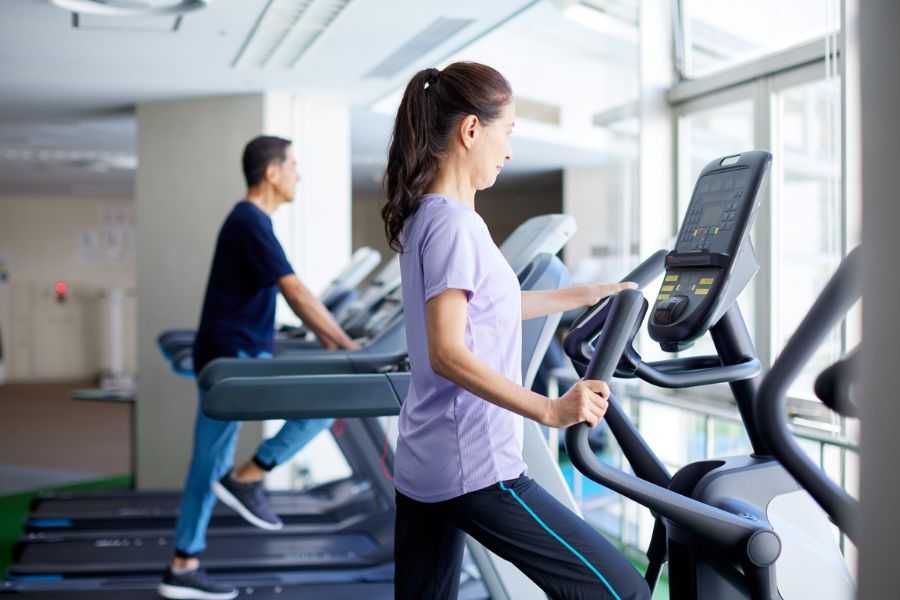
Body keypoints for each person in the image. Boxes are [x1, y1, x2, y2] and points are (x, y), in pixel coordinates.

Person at [381, 62, 651, 600]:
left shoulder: (427, 216)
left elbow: (490, 307)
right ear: (471, 130)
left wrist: (588, 294)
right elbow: (447, 351)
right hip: (477, 467)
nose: (508, 151)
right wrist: (549, 410)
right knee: (624, 592)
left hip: (426, 462)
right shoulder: (456, 225)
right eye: (506, 132)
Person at [158, 135, 358, 600]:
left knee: (208, 463)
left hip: (226, 356)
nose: (298, 175)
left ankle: (183, 564)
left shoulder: (247, 221)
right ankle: (249, 477)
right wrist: (344, 345)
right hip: (236, 363)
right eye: (293, 165)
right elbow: (295, 290)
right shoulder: (250, 221)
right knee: (326, 403)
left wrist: (330, 337)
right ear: (272, 172)